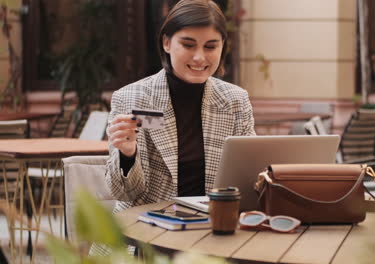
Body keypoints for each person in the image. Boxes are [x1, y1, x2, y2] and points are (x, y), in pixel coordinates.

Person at [90, 0, 255, 255]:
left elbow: (249, 180)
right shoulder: (131, 98)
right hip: (146, 238)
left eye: (211, 46)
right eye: (188, 45)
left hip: (215, 237)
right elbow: (125, 193)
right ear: (167, 43)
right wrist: (127, 154)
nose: (200, 57)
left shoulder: (235, 101)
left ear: (223, 47)